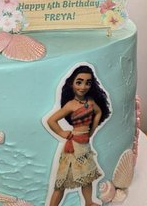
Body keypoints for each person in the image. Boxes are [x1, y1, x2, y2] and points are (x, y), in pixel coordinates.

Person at [46, 65, 110, 206]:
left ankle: (89, 202)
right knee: (62, 181)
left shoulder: (90, 102)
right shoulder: (70, 105)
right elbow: (51, 120)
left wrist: (92, 130)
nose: (83, 87)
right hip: (73, 147)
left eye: (88, 83)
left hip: (84, 146)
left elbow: (99, 112)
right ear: (72, 84)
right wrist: (62, 133)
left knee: (86, 178)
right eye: (79, 82)